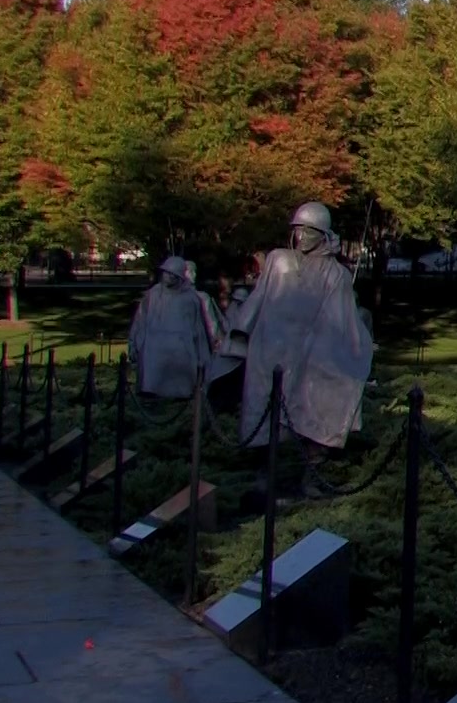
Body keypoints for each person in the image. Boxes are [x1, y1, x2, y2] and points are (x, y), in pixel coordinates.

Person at [224, 202, 374, 498]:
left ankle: (312, 476)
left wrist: (355, 348)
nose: (302, 236)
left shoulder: (337, 275)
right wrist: (241, 332)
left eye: (310, 230)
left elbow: (341, 319)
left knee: (317, 410)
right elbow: (260, 297)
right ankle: (263, 476)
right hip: (270, 350)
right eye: (297, 230)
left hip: (311, 354)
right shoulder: (278, 261)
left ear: (324, 233)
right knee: (264, 414)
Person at [127, 255, 219, 399]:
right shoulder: (153, 295)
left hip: (181, 359)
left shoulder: (190, 299)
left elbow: (199, 330)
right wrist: (134, 344)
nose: (167, 277)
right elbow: (140, 321)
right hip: (154, 356)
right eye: (166, 273)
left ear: (180, 277)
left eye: (172, 274)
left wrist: (203, 357)